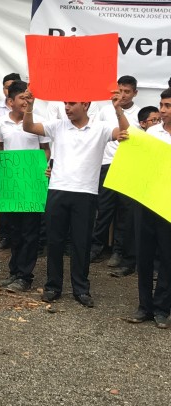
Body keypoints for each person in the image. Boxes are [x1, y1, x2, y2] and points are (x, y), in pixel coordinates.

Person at [22, 90, 129, 307]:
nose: (67, 108)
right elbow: (29, 127)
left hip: (86, 193)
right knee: (55, 242)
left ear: (86, 104)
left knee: (81, 244)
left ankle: (81, 289)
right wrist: (30, 106)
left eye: (71, 103)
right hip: (58, 190)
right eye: (65, 103)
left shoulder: (101, 128)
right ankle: (53, 286)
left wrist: (118, 109)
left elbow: (125, 132)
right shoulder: (58, 125)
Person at [0, 81, 49, 293]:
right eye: (22, 98)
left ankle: (25, 276)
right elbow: (2, 149)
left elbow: (45, 150)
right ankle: (13, 272)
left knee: (30, 231)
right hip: (11, 184)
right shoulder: (1, 121)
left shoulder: (39, 122)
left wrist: (41, 172)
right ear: (10, 101)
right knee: (14, 229)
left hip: (31, 183)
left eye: (28, 97)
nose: (26, 101)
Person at [127, 87, 171, 328]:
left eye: (167, 106)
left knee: (167, 257)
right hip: (146, 200)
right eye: (162, 105)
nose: (162, 110)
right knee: (143, 256)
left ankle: (162, 308)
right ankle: (144, 306)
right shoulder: (152, 132)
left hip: (169, 205)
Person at [90, 75, 141, 273]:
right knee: (104, 209)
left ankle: (118, 251)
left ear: (135, 93)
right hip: (106, 164)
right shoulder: (104, 110)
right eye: (120, 91)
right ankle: (95, 248)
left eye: (127, 91)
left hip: (128, 167)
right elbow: (96, 134)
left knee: (125, 212)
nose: (123, 95)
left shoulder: (139, 114)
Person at [0, 72, 21, 253]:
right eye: (6, 87)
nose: (8, 90)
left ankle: (20, 239)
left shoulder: (30, 115)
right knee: (5, 202)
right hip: (6, 163)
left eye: (12, 87)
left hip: (23, 167)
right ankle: (4, 237)